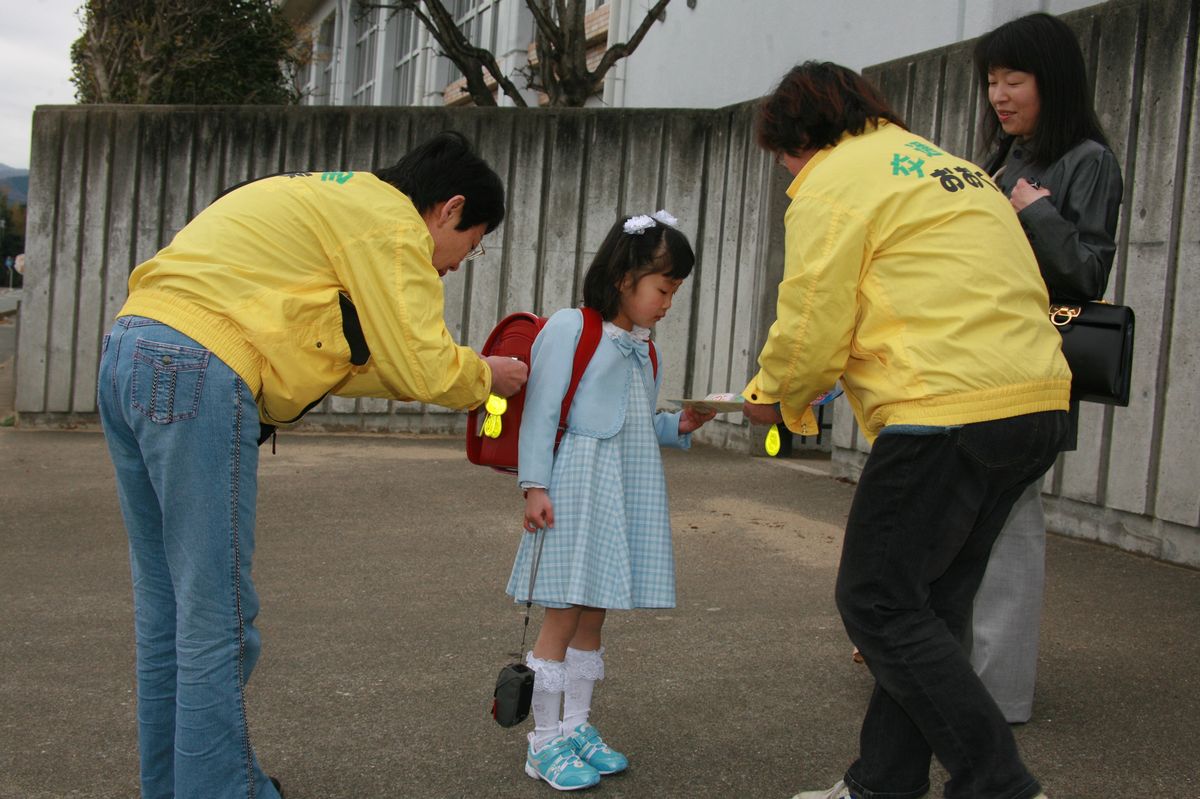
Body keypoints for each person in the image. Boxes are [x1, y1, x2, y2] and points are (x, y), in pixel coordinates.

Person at [96, 131, 528, 799]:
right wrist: (485, 375)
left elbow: (367, 361)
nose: (453, 266)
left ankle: (174, 786)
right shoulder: (391, 223)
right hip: (198, 370)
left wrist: (454, 373)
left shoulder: (333, 205)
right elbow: (425, 361)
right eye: (467, 249)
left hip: (131, 351)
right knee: (216, 620)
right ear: (449, 209)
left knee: (169, 614)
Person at [740, 61, 1071, 799]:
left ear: (801, 134)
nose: (786, 171)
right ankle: (882, 783)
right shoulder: (946, 166)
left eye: (783, 155)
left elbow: (810, 321)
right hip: (1034, 400)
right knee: (932, 607)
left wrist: (774, 397)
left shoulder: (834, 181)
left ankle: (1001, 786)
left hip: (944, 410)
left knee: (877, 602)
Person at [505, 212, 715, 791]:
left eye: (673, 292)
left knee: (595, 615)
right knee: (564, 610)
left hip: (624, 486)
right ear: (625, 276)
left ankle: (576, 727)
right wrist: (535, 485)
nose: (668, 303)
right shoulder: (574, 328)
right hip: (575, 483)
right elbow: (542, 412)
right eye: (663, 289)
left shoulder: (644, 352)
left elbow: (639, 425)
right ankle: (542, 743)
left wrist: (683, 423)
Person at [968, 11, 1124, 724]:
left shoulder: (1084, 159)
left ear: (1051, 81)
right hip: (978, 360)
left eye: (1014, 79)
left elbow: (1088, 271)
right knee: (968, 520)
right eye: (992, 81)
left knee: (1011, 526)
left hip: (1032, 370)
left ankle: (998, 693)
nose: (1000, 94)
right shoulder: (1004, 157)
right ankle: (960, 671)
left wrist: (1035, 212)